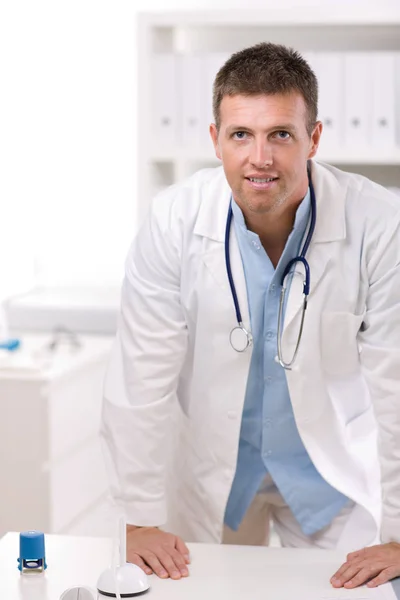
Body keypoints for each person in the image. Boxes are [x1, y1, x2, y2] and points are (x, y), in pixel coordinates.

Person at [100, 42, 400, 589]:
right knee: (198, 592)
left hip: (326, 478)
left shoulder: (378, 225)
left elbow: (397, 383)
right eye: (242, 134)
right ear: (215, 141)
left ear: (314, 138)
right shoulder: (174, 221)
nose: (260, 157)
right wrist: (139, 521)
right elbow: (140, 377)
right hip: (211, 472)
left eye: (281, 134)